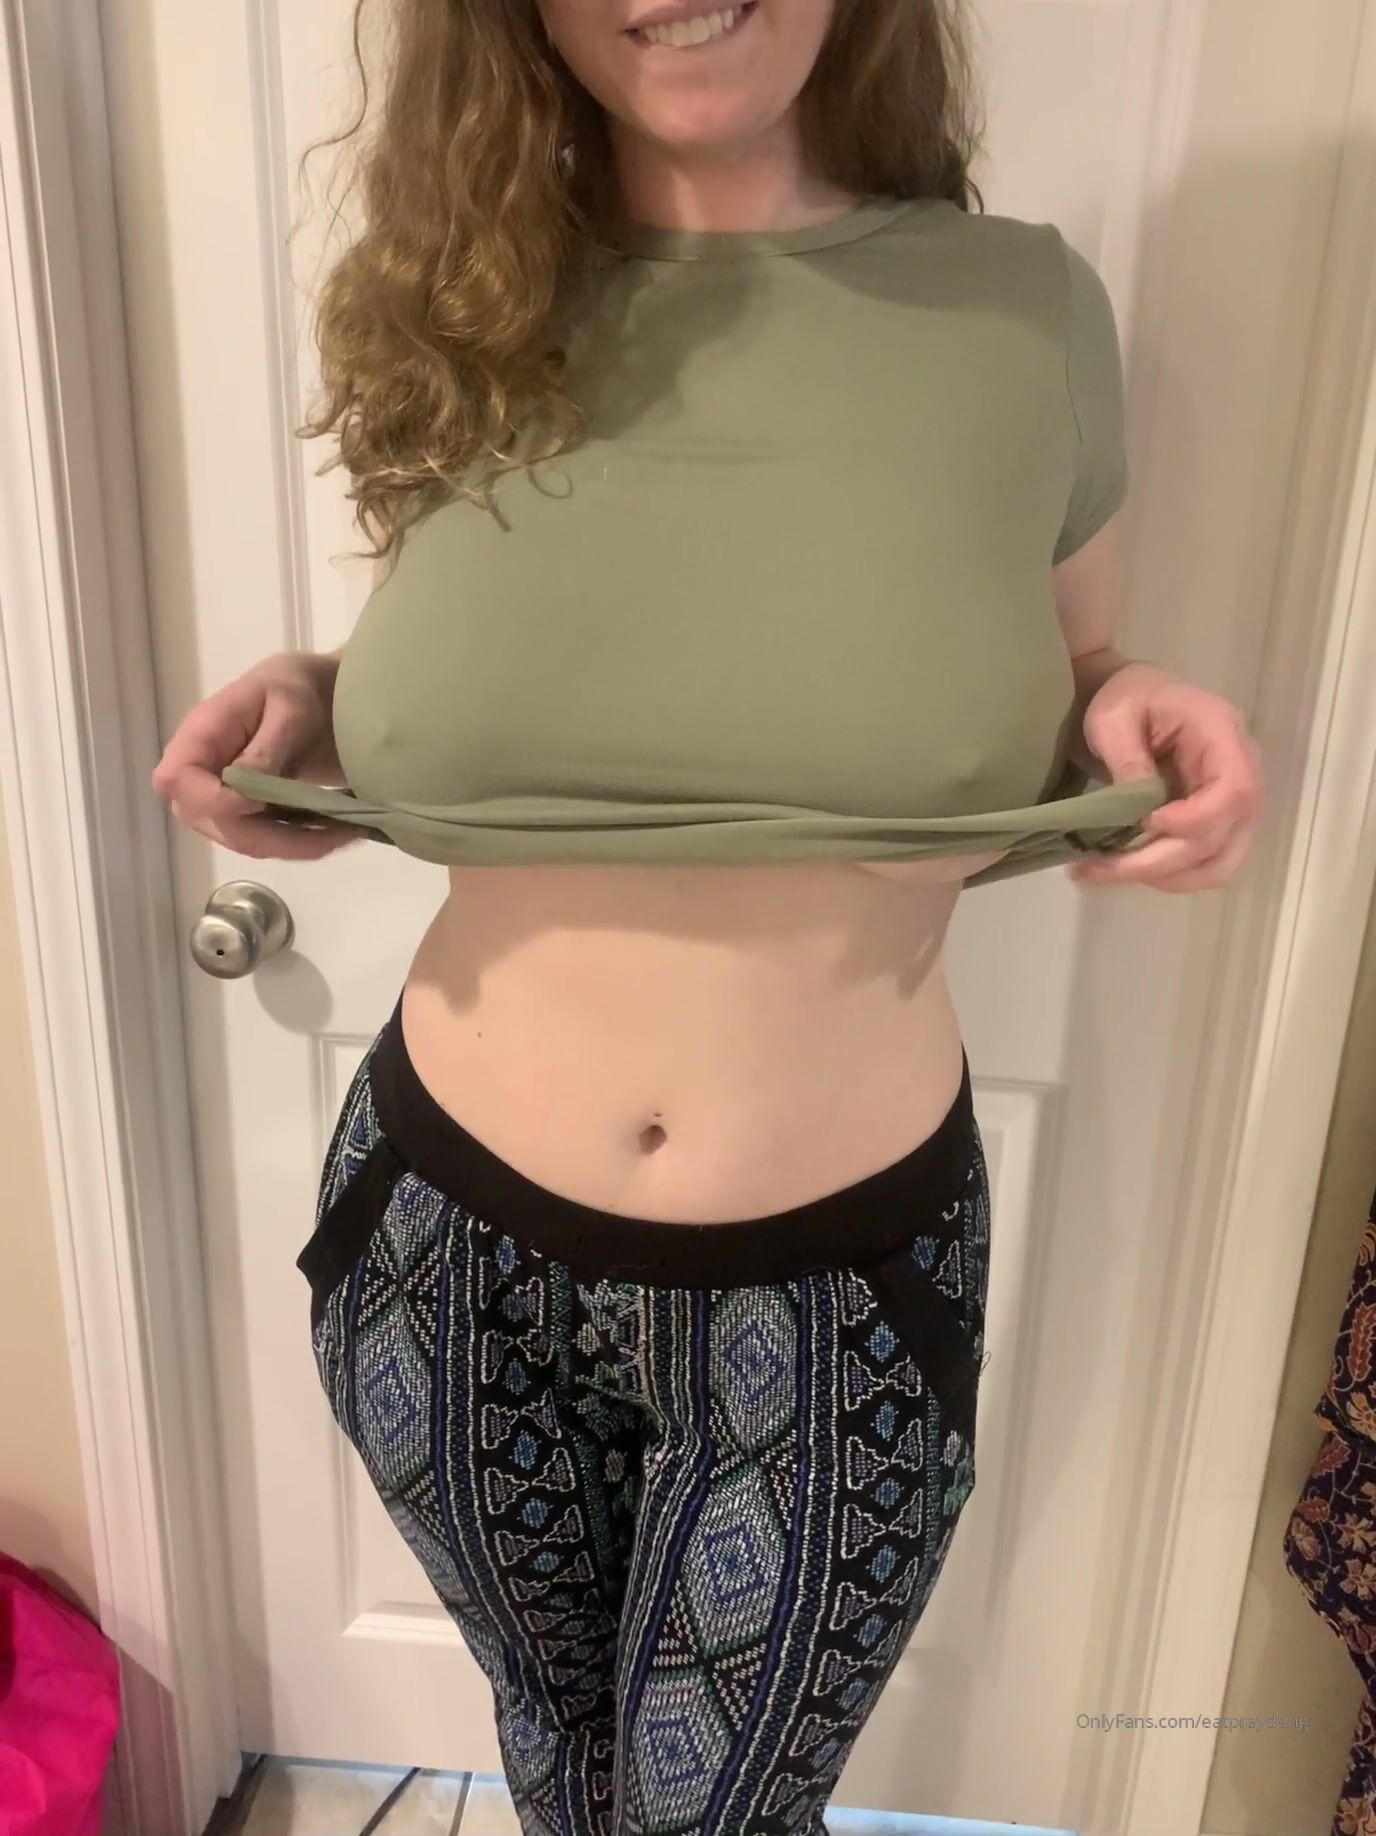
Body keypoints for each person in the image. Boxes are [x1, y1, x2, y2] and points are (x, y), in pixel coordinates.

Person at [151, 1, 1263, 1830]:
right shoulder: (452, 303)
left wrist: (1138, 710)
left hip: (830, 1294)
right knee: (559, 1759)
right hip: (444, 1254)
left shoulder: (1019, 317)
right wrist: (319, 702)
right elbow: (521, 671)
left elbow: (1061, 675)